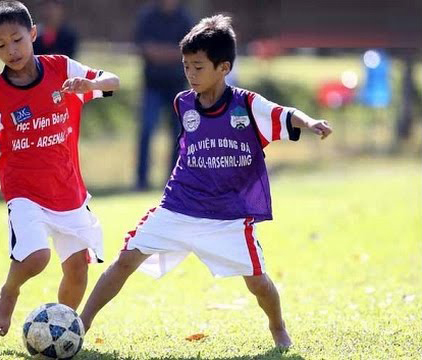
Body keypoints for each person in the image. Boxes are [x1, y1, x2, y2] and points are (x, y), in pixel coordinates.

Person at [80, 15, 332, 350]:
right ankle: (79, 324)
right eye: (186, 66)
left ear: (223, 67)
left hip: (227, 216)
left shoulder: (247, 104)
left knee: (257, 282)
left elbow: (285, 114)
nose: (190, 74)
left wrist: (311, 122)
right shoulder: (183, 103)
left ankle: (278, 328)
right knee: (126, 259)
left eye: (199, 67)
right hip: (178, 206)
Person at [0, 0, 119, 337]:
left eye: (17, 40)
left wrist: (90, 85)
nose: (11, 50)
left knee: (78, 270)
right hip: (24, 191)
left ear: (33, 33)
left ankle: (60, 330)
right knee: (36, 257)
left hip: (69, 190)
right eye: (0, 45)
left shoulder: (62, 69)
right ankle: (9, 292)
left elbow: (112, 81)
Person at [134, 0, 193, 190]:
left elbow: (188, 52)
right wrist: (171, 53)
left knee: (178, 134)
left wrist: (161, 52)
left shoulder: (184, 19)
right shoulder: (148, 17)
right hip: (152, 85)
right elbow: (145, 49)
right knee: (146, 130)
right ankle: (141, 180)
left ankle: (174, 181)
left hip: (178, 87)